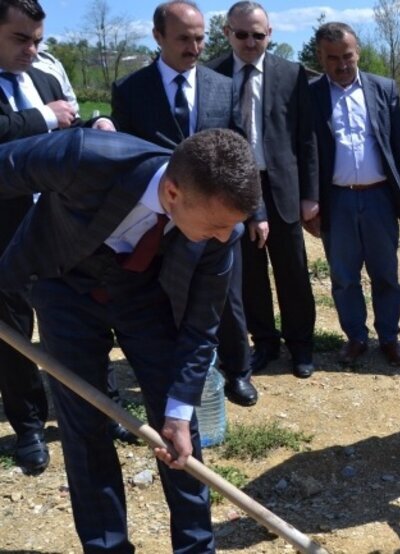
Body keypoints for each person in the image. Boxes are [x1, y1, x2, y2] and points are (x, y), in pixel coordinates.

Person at [0, 126, 260, 553]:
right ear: (173, 193)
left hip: (146, 294)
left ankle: (195, 547)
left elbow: (200, 329)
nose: (222, 236)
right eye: (214, 226)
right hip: (63, 285)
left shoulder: (222, 228)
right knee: (83, 423)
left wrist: (177, 414)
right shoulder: (87, 158)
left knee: (178, 427)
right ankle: (107, 546)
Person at [111, 0, 257, 406]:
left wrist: (254, 212)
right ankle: (172, 373)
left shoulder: (222, 85)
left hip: (215, 214)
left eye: (199, 38)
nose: (193, 48)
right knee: (164, 295)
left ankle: (238, 371)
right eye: (183, 39)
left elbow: (241, 152)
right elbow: (127, 154)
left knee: (227, 297)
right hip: (160, 214)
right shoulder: (130, 90)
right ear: (158, 37)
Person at [0, 0, 113, 475]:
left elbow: (66, 125)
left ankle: (102, 408)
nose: (33, 50)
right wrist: (46, 117)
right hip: (6, 233)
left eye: (38, 40)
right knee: (14, 335)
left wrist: (94, 125)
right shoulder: (41, 98)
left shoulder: (44, 78)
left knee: (83, 320)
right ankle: (28, 426)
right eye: (21, 39)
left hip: (60, 227)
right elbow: (27, 128)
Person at [208, 1, 318, 379]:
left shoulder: (292, 73)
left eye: (259, 35)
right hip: (235, 188)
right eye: (242, 34)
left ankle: (301, 345)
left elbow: (307, 138)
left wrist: (311, 195)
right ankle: (265, 342)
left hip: (281, 186)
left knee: (293, 270)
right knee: (249, 273)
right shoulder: (211, 74)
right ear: (227, 33)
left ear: (270, 34)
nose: (251, 42)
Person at [308, 22, 400, 367]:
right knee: (344, 276)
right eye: (332, 58)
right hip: (336, 200)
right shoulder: (310, 95)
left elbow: (399, 144)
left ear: (358, 52)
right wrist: (308, 203)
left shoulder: (384, 89)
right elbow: (304, 152)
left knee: (386, 274)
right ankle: (355, 337)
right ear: (321, 58)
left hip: (379, 197)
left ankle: (389, 337)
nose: (341, 65)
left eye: (347, 56)